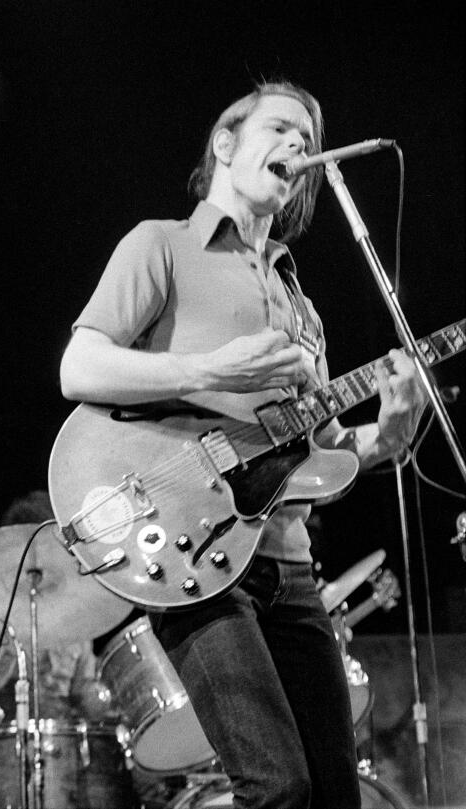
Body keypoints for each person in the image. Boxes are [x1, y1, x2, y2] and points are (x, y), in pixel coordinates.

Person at [57, 81, 427, 808]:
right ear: (225, 143)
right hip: (195, 558)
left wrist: (385, 436)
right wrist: (207, 370)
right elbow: (79, 365)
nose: (298, 144)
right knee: (277, 787)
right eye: (281, 127)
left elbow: (317, 454)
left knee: (332, 794)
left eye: (307, 136)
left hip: (289, 566)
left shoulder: (302, 306)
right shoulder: (159, 244)